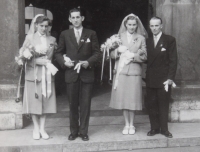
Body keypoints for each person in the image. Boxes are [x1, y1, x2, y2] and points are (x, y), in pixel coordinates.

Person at [55, 8, 100, 141]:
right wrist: (64, 62)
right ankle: (74, 131)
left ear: (82, 18)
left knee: (85, 104)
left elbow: (97, 53)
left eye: (78, 17)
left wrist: (88, 62)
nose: (75, 20)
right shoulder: (64, 34)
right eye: (73, 17)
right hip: (71, 73)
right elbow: (58, 52)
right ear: (70, 19)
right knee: (72, 104)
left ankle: (83, 131)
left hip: (87, 74)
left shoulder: (91, 33)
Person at [20, 14, 58, 140]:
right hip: (34, 75)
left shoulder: (52, 39)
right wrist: (36, 61)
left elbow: (55, 56)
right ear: (36, 25)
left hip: (47, 74)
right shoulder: (29, 38)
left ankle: (42, 128)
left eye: (46, 26)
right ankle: (36, 128)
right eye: (41, 26)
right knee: (34, 102)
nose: (43, 28)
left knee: (46, 102)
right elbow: (23, 57)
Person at [109, 14, 147, 135]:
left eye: (134, 25)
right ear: (125, 24)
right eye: (129, 24)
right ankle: (126, 124)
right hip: (122, 71)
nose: (131, 27)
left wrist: (133, 56)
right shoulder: (118, 37)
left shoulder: (141, 38)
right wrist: (118, 52)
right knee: (124, 99)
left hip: (134, 72)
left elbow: (145, 56)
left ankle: (132, 124)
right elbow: (111, 55)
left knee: (133, 99)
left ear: (137, 25)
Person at [146, 17, 177, 138]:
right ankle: (154, 128)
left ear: (161, 26)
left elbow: (173, 60)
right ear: (149, 27)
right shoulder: (147, 41)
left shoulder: (169, 40)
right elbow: (145, 59)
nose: (154, 28)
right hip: (150, 77)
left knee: (163, 104)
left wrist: (170, 78)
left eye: (156, 26)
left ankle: (164, 129)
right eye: (152, 26)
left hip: (164, 79)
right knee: (151, 104)